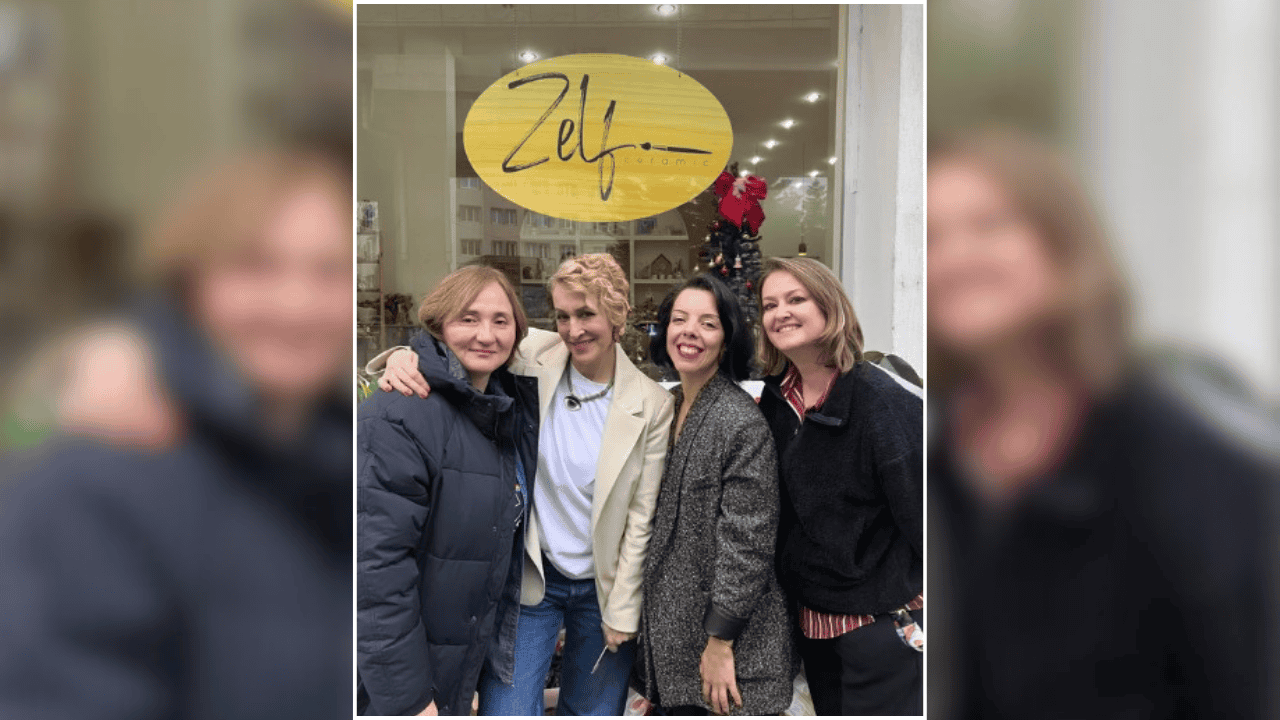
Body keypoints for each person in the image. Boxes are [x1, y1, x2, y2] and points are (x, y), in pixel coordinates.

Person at [927, 129, 1275, 719]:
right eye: (931, 238)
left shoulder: (1186, 448)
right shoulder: (936, 447)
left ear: (1064, 246)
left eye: (988, 225)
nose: (953, 258)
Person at [0, 150, 353, 719]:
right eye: (256, 267)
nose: (297, 304)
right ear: (191, 284)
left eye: (330, 272)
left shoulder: (338, 463)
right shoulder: (94, 482)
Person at [374, 253, 674, 716]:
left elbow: (641, 517)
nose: (573, 330)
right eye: (563, 316)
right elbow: (455, 342)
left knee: (593, 712)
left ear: (619, 317)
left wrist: (624, 608)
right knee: (507, 709)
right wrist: (401, 357)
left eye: (587, 314)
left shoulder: (651, 404)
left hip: (603, 590)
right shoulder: (532, 353)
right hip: (534, 579)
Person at [357, 265, 538, 716]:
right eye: (468, 318)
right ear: (438, 324)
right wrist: (411, 702)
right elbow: (375, 573)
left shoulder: (499, 407)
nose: (486, 335)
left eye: (501, 320)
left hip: (452, 668)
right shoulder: (400, 414)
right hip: (402, 686)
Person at [755, 256, 924, 716]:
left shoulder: (881, 404)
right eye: (769, 305)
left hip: (879, 629)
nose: (780, 313)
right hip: (813, 627)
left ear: (830, 307)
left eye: (796, 299)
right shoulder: (777, 403)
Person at [632, 275, 796, 716]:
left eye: (707, 323)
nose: (689, 332)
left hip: (727, 653)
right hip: (676, 642)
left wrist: (721, 641)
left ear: (726, 340)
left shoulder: (739, 421)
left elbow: (748, 541)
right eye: (679, 319)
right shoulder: (668, 406)